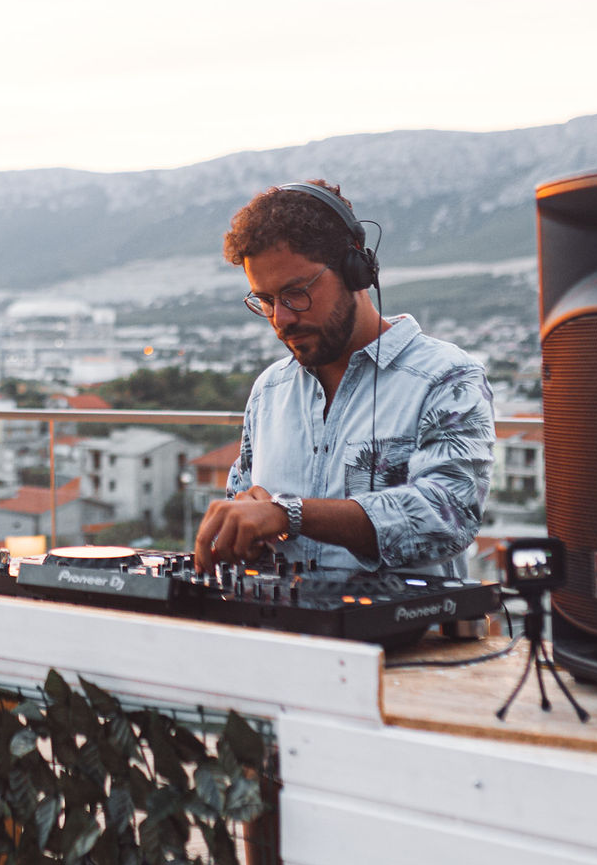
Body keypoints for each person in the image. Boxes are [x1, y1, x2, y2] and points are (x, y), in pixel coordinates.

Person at [193, 181, 493, 577]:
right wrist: (243, 524)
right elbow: (245, 500)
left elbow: (447, 517)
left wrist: (289, 514)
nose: (281, 319)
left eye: (296, 293)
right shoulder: (269, 390)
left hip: (411, 637)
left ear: (356, 272)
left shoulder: (446, 377)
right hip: (283, 633)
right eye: (265, 301)